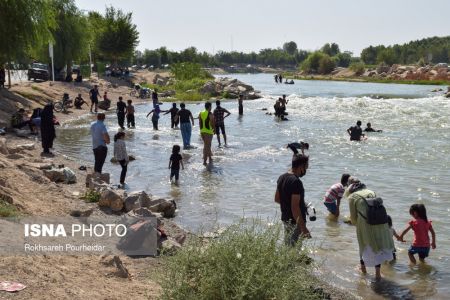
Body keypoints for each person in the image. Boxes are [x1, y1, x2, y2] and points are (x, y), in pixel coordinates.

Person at [346, 178, 394, 279]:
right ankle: (377, 274)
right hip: (380, 223)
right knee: (377, 247)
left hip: (364, 225)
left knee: (363, 246)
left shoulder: (352, 197)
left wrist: (354, 223)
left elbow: (354, 219)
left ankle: (363, 270)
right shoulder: (371, 192)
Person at [274, 153, 310, 246]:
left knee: (288, 246)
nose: (306, 170)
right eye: (306, 167)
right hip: (295, 223)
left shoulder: (282, 177)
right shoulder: (296, 182)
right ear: (301, 166)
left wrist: (302, 204)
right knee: (293, 251)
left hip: (286, 219)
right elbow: (295, 208)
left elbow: (277, 199)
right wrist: (303, 228)